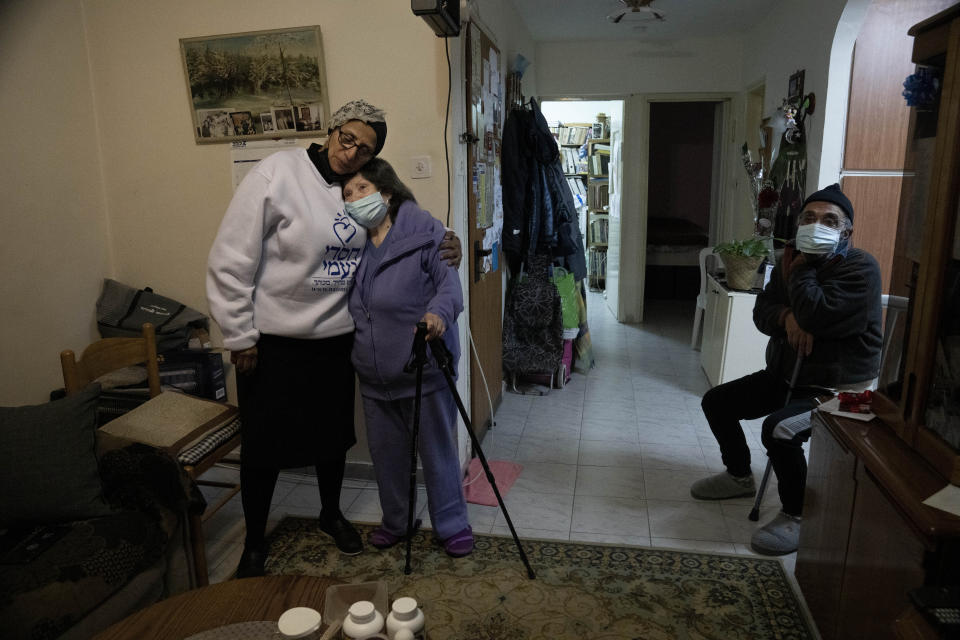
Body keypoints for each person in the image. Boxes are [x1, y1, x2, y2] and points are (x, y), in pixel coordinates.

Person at [206, 99, 461, 578]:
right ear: (333, 129)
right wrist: (239, 335)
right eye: (348, 138)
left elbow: (403, 223)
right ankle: (255, 541)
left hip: (337, 341)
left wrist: (450, 237)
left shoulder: (356, 191)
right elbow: (230, 259)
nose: (352, 153)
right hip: (273, 342)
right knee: (262, 447)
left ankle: (331, 514)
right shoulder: (276, 173)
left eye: (365, 150)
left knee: (331, 439)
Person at [690, 184, 882, 555]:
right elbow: (762, 313)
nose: (816, 225)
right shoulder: (788, 263)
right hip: (786, 374)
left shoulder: (860, 268)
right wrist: (786, 315)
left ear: (847, 232)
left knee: (779, 429)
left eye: (829, 220)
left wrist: (803, 273)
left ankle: (797, 514)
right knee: (717, 402)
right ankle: (739, 475)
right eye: (809, 218)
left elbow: (818, 315)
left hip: (839, 390)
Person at [343, 158, 474, 557]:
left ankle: (451, 525)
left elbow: (450, 289)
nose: (353, 200)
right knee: (387, 457)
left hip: (423, 370)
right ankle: (397, 521)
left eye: (361, 190)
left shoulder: (429, 234)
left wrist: (437, 313)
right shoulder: (350, 245)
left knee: (437, 453)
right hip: (373, 376)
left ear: (386, 192)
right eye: (347, 194)